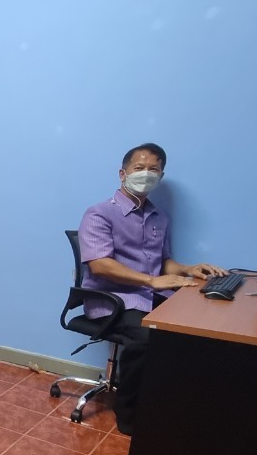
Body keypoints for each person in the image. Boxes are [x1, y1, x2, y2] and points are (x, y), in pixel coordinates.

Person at [78, 143, 227, 435]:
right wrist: (151, 281)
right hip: (112, 300)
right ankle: (129, 416)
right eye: (139, 168)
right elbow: (100, 265)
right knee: (147, 338)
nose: (146, 174)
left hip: (147, 295)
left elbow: (162, 262)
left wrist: (188, 269)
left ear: (161, 176)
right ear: (123, 173)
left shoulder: (159, 217)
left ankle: (166, 400)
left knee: (190, 324)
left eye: (153, 169)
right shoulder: (99, 213)